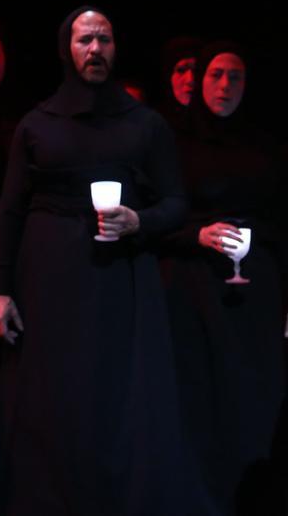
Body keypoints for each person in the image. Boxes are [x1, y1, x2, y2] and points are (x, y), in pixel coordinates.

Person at [0, 7, 208, 515]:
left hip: (119, 279)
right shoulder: (37, 123)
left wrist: (139, 222)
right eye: (85, 39)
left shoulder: (144, 125)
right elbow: (11, 210)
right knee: (50, 401)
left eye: (104, 39)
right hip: (47, 281)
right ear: (67, 48)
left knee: (116, 398)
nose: (95, 49)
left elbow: (175, 202)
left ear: (116, 48)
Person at [158, 42, 285, 514]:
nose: (225, 86)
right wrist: (198, 234)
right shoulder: (176, 143)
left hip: (254, 289)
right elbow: (161, 213)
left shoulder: (265, 147)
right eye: (216, 75)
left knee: (251, 395)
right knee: (196, 395)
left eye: (235, 76)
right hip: (191, 283)